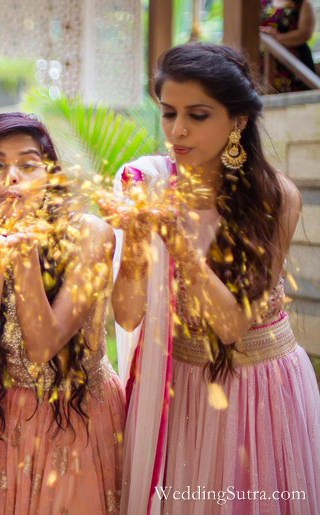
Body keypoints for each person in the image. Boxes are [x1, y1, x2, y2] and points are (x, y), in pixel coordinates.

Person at [110, 43, 320, 514]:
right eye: (169, 113)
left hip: (262, 390)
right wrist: (138, 239)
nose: (177, 130)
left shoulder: (275, 198)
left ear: (237, 120)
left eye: (198, 115)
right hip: (183, 388)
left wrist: (175, 238)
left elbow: (230, 326)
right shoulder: (148, 185)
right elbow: (126, 317)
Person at [0, 112, 124, 514]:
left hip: (77, 414)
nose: (12, 178)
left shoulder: (89, 235)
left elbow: (44, 346)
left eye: (28, 165)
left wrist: (24, 252)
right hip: (2, 417)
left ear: (50, 176)